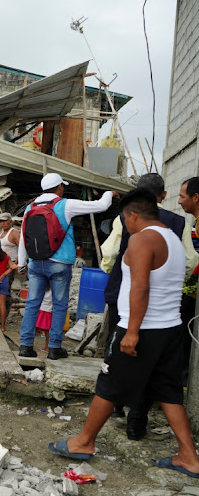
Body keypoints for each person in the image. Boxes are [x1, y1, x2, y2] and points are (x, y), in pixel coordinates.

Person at [49, 189, 199, 480]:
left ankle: (84, 441)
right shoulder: (173, 237)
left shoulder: (143, 239)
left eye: (124, 219)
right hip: (170, 328)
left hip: (143, 328)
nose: (126, 226)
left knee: (108, 383)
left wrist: (131, 332)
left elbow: (140, 288)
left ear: (132, 215)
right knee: (168, 391)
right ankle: (189, 457)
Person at [100, 173, 196, 439]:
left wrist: (116, 274)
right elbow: (189, 261)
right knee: (161, 381)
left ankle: (100, 428)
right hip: (169, 318)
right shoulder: (177, 224)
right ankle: (139, 424)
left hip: (135, 311)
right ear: (162, 196)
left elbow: (110, 256)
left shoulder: (133, 224)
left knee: (113, 372)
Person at [17, 173, 117, 360]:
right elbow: (101, 206)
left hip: (36, 263)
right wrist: (109, 194)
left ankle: (25, 346)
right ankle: (54, 348)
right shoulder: (65, 205)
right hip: (60, 264)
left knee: (32, 304)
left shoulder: (30, 207)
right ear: (59, 187)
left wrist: (22, 263)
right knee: (60, 305)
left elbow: (24, 236)